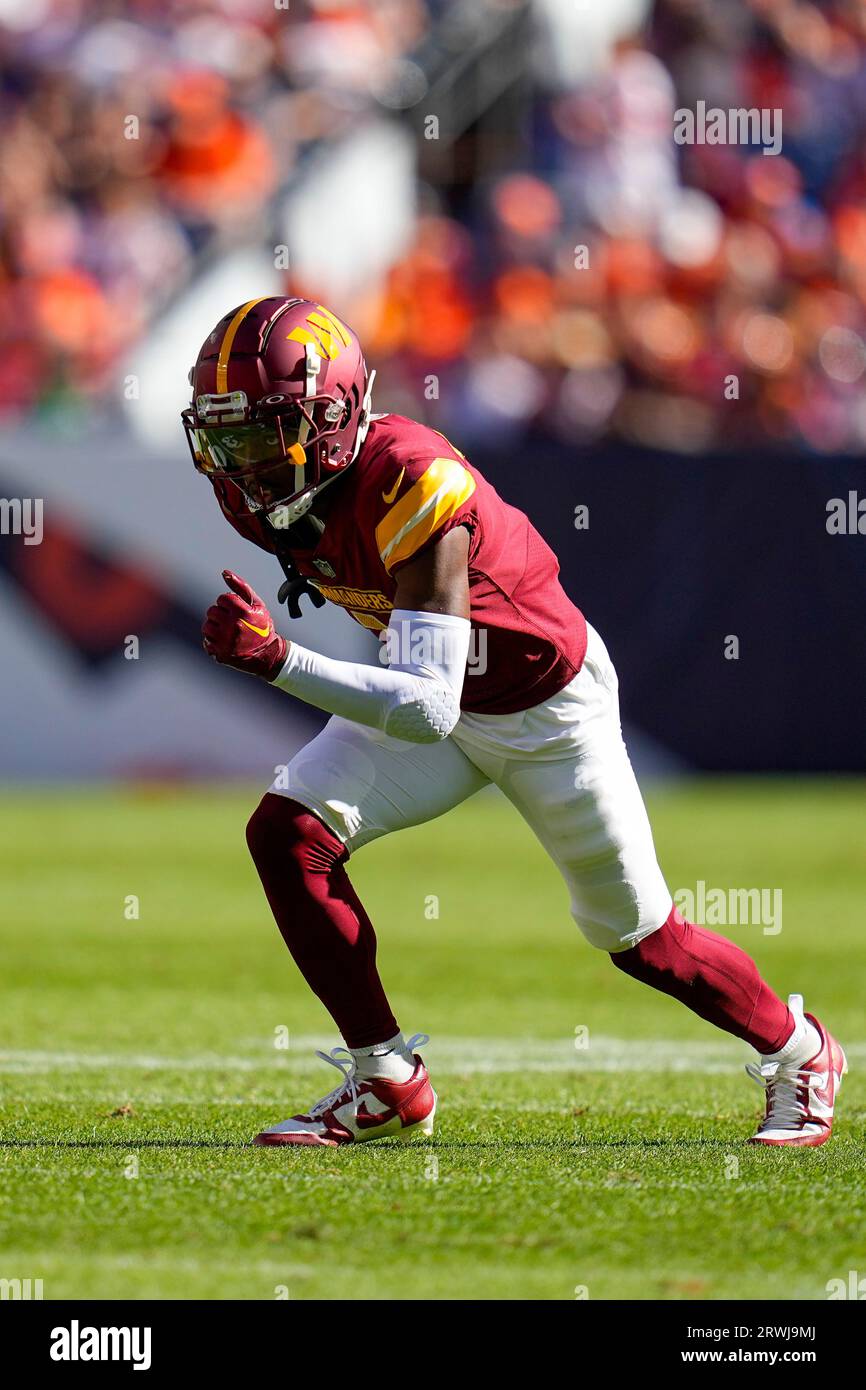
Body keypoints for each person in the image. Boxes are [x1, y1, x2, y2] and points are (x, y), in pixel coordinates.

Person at [186, 295, 846, 1148]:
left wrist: (276, 661)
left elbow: (427, 707)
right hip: (433, 688)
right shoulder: (261, 493)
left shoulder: (412, 479)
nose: (246, 459)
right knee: (287, 835)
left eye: (266, 432)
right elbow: (425, 692)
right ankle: (386, 1079)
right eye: (229, 434)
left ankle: (802, 1053)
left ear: (337, 414)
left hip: (543, 712)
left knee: (643, 940)